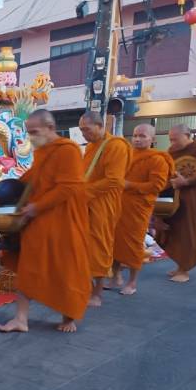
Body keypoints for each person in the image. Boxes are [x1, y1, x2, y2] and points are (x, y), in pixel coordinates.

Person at [0, 110, 91, 333]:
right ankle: (21, 319)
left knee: (65, 269)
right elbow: (35, 177)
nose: (30, 137)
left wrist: (37, 207)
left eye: (34, 132)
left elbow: (69, 187)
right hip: (38, 220)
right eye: (28, 132)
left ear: (50, 128)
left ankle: (68, 317)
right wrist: (9, 189)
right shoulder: (43, 151)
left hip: (62, 220)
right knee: (27, 267)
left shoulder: (68, 150)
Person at [110, 124, 174, 295]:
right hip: (119, 205)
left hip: (138, 207)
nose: (137, 139)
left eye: (143, 136)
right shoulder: (127, 155)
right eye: (135, 135)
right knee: (114, 241)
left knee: (134, 244)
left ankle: (132, 282)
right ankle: (116, 276)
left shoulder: (157, 159)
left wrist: (130, 185)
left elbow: (157, 185)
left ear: (152, 139)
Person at [79, 110, 131, 307]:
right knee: (83, 246)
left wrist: (84, 192)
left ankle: (97, 293)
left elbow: (114, 180)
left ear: (100, 126)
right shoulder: (91, 147)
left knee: (99, 246)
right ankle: (86, 287)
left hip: (103, 203)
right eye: (82, 130)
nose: (84, 134)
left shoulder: (116, 146)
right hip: (85, 203)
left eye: (87, 129)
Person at [156, 124, 196, 282]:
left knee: (188, 233)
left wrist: (187, 181)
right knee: (172, 230)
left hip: (194, 198)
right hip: (173, 195)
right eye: (170, 140)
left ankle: (184, 270)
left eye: (175, 139)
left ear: (188, 135)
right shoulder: (171, 152)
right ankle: (179, 265)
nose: (172, 143)